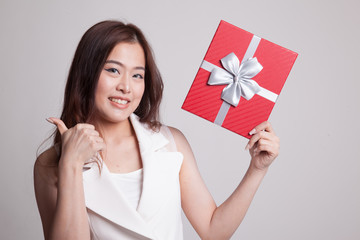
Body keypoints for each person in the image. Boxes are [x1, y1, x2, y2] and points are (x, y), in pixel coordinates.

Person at [34, 20, 280, 240]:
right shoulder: (50, 164)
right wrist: (71, 164)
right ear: (86, 74)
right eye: (113, 70)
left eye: (137, 75)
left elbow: (213, 231)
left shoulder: (170, 141)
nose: (126, 87)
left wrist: (257, 170)